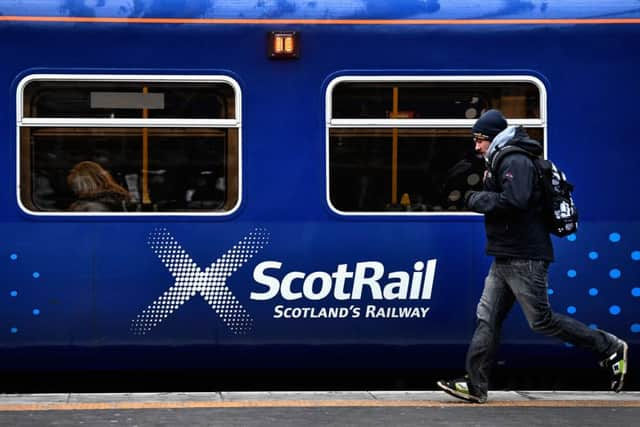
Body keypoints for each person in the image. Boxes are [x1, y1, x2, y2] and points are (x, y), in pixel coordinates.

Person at [437, 109, 628, 403]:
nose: (476, 146)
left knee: (541, 320)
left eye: (480, 140)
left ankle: (609, 347)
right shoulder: (502, 158)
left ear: (494, 138)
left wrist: (474, 198)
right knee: (487, 319)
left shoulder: (514, 160)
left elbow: (517, 200)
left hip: (524, 256)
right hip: (505, 255)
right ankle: (475, 385)